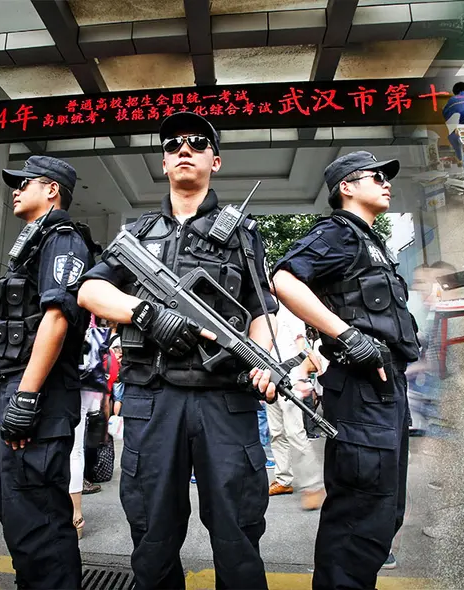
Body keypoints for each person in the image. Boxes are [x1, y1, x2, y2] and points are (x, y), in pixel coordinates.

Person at [77, 112, 277, 590]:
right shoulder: (137, 234)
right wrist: (146, 315)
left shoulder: (242, 232)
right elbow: (89, 291)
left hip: (226, 399)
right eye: (173, 145)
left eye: (198, 142)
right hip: (153, 400)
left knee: (238, 532)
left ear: (215, 160)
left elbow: (261, 310)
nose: (184, 149)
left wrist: (265, 362)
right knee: (152, 533)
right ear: (164, 162)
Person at [252, 150, 420, 587]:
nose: (386, 182)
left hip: (386, 388)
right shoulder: (338, 232)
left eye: (386, 176)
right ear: (346, 187)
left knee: (384, 511)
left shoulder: (369, 241)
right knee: (359, 516)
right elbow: (284, 279)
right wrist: (347, 336)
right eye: (375, 176)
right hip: (361, 388)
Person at [0, 155, 97, 588]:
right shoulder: (34, 242)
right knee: (16, 513)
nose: (15, 190)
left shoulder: (63, 240)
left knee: (38, 522)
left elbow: (57, 318)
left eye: (24, 183)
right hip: (16, 387)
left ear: (51, 190)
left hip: (38, 393)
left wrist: (26, 396)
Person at [265, 303, 327, 511]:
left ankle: (313, 485)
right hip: (270, 377)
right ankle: (283, 479)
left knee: (295, 433)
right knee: (276, 432)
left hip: (290, 380)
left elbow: (301, 346)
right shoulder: (264, 309)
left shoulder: (289, 310)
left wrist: (301, 378)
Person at [71, 322, 111, 538]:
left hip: (63, 381)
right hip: (86, 383)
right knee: (75, 452)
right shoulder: (92, 322)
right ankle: (76, 515)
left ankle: (64, 510)